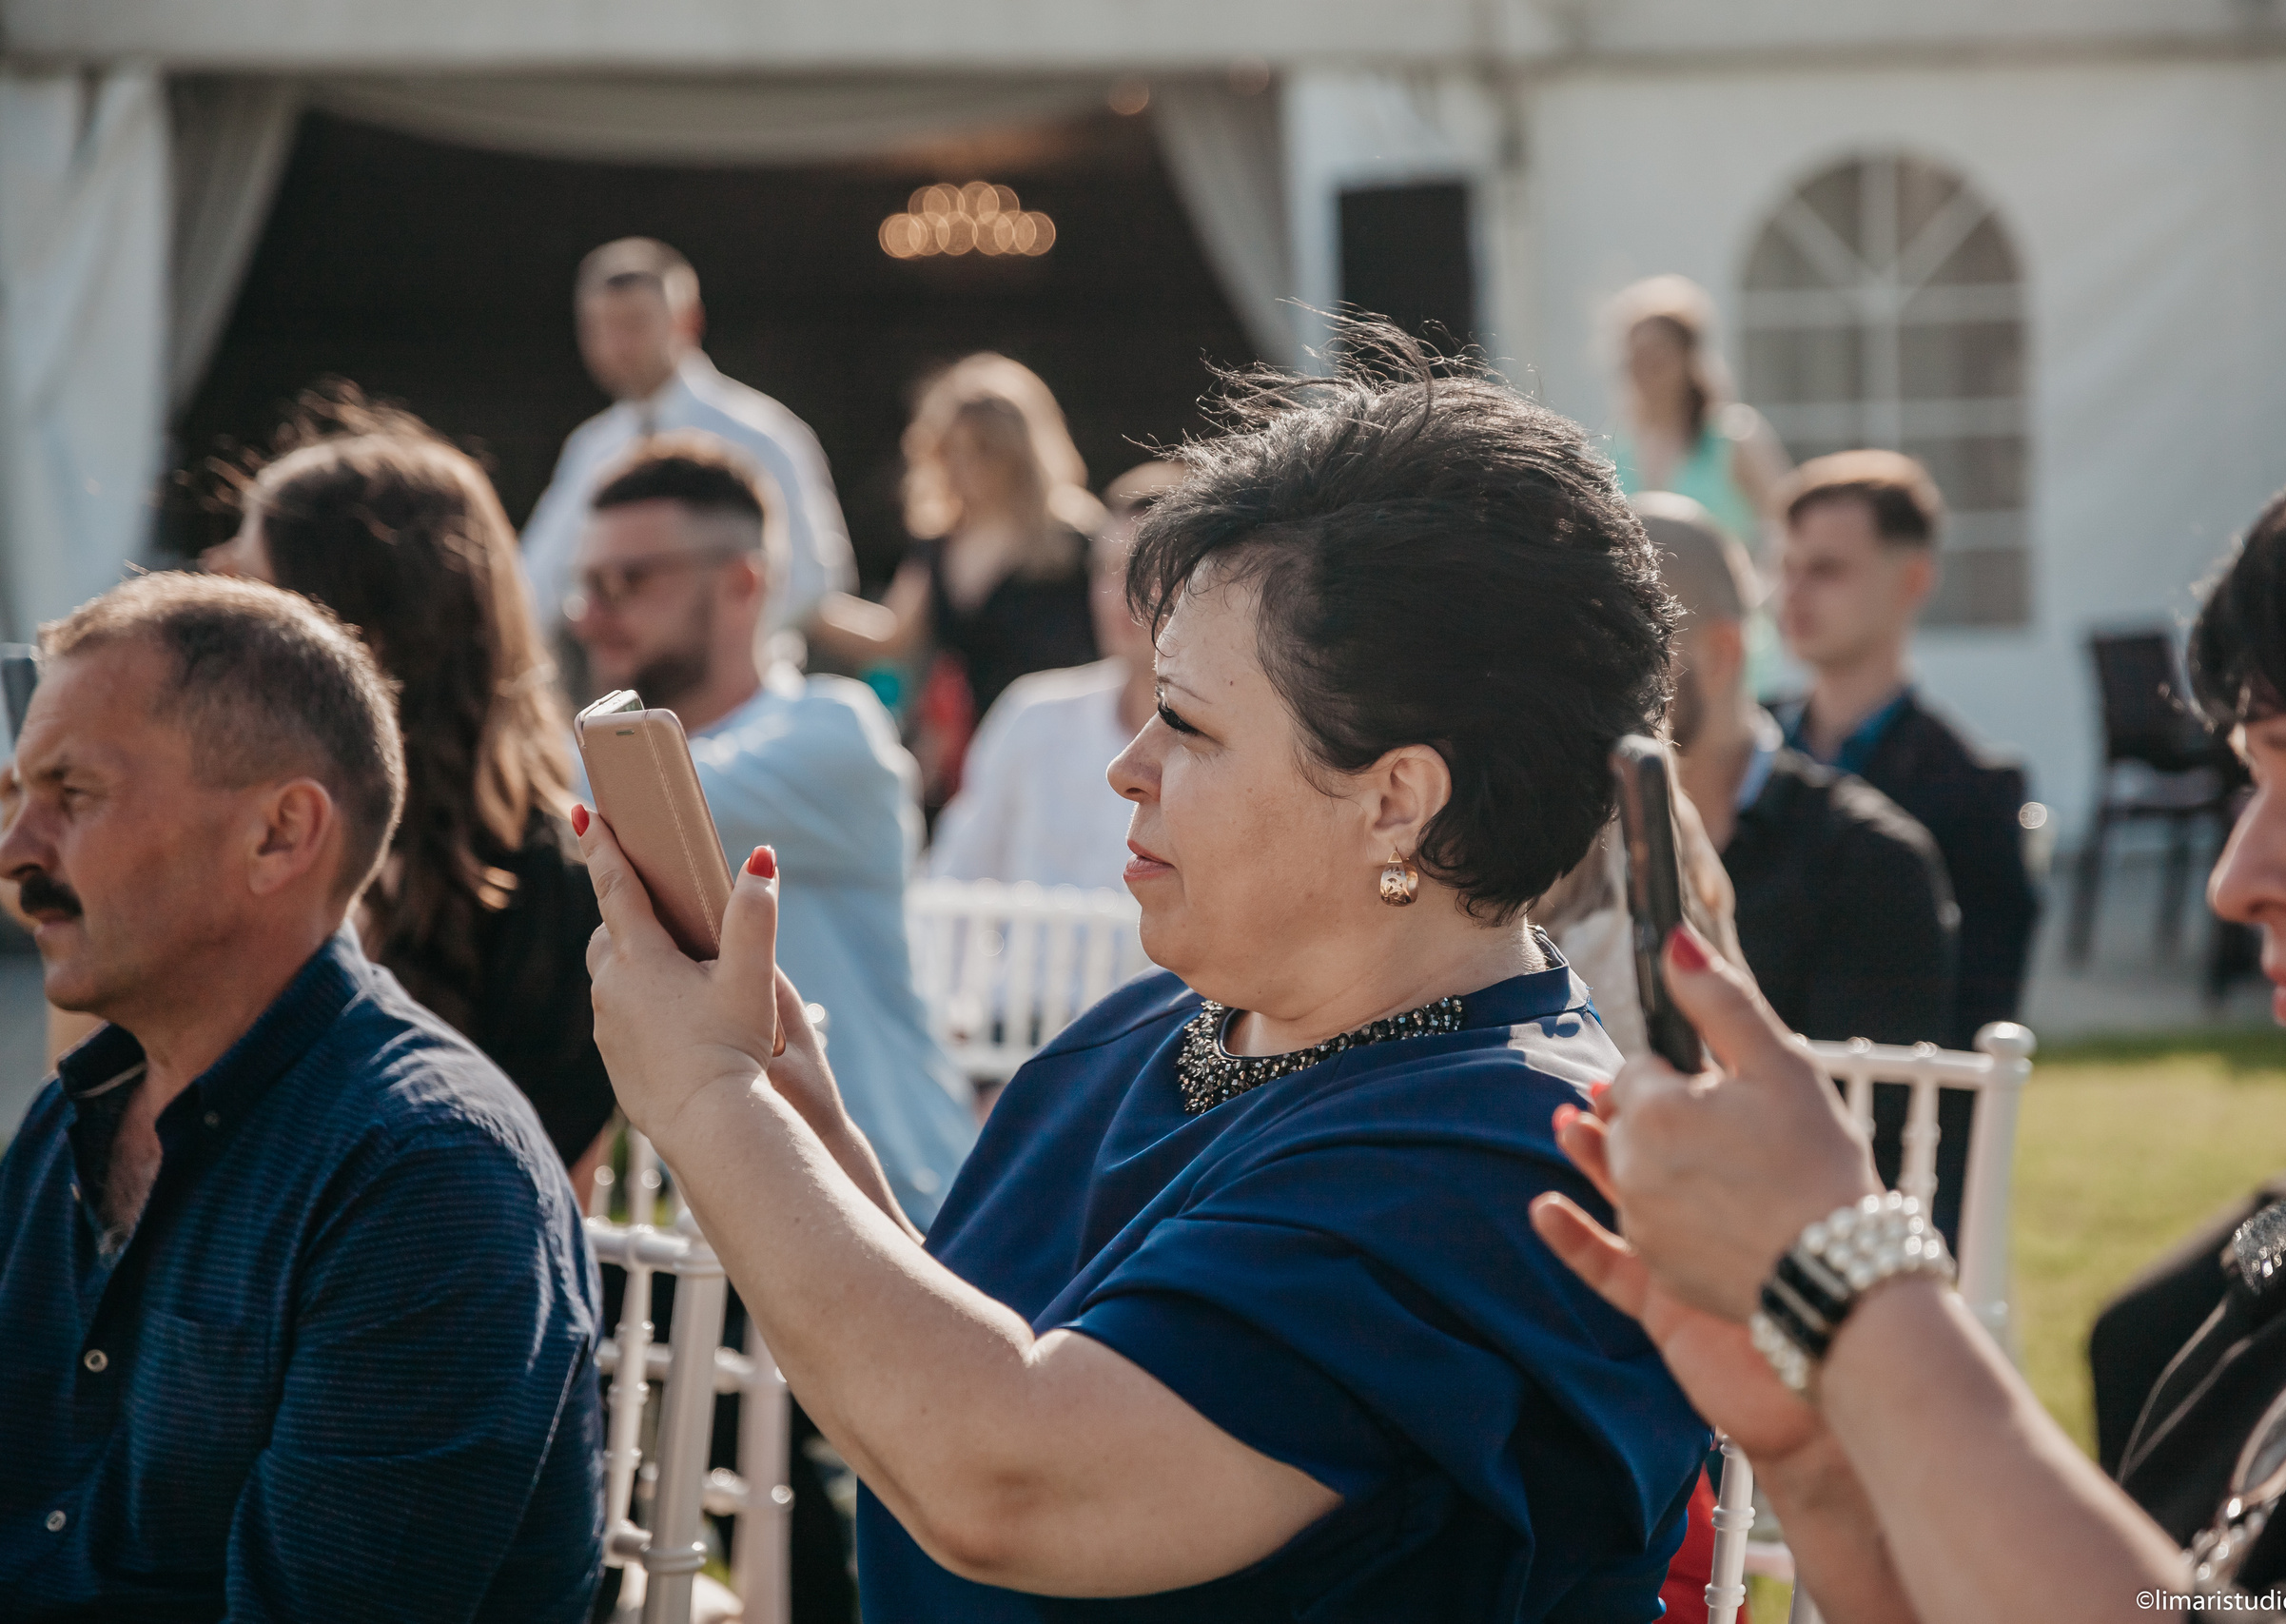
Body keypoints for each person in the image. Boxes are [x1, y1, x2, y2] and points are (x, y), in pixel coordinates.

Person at [573, 341, 1715, 1622]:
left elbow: (1012, 1478)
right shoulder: (1149, 1031)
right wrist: (802, 1124)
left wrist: (713, 1101)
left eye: (1188, 722)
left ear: (1396, 799)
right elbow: (985, 1356)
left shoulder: (1507, 1154)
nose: (1128, 765)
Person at [1535, 433, 2286, 1620]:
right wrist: (1815, 1460)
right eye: (2248, 783)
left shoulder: (1894, 839)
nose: (2234, 878)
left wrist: (1849, 1287)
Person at [0, 573, 601, 1621]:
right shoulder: (81, 1113)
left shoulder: (428, 1178)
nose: (15, 855)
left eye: (74, 795)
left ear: (279, 834)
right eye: (16, 799)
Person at [566, 433, 974, 1224]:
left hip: (894, 1208)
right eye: (584, 584)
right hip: (709, 1234)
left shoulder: (832, 732)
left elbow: (595, 794)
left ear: (743, 583)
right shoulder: (595, 753)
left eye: (628, 580)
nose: (592, 615)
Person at [202, 391, 614, 1169]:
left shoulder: (557, 894)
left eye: (252, 592)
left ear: (363, 639)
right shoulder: (227, 839)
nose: (209, 589)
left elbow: (543, 1214)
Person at [1771, 449, 2040, 1237]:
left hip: (1885, 1177)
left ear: (1912, 579)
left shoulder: (1972, 790)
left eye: (1827, 569)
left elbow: (1965, 1052)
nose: (1792, 593)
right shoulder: (1736, 756)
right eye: (1784, 567)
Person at [1644, 492, 1956, 1047]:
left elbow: (1872, 1122)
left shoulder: (1870, 861)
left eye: (1623, 652)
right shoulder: (1570, 853)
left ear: (1718, 654)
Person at [520, 237, 855, 648]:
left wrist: (697, 645)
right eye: (599, 327)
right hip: (623, 698)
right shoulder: (591, 447)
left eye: (634, 324)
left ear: (687, 322)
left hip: (743, 695)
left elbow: (813, 581)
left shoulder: (761, 434)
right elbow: (535, 584)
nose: (615, 345)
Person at [812, 354, 1104, 803]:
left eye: (983, 450)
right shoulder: (940, 544)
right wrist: (798, 603)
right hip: (972, 755)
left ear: (1020, 453)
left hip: (1066, 745)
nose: (966, 466)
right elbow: (890, 635)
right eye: (953, 450)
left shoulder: (1076, 541)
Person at [926, 460, 1182, 890]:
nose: (1120, 592)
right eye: (1105, 569)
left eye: (1146, 571)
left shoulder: (1229, 746)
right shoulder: (1032, 715)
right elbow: (952, 879)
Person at [1602, 276, 1789, 553]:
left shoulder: (1734, 437)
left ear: (1689, 358)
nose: (1645, 373)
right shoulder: (1617, 450)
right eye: (1635, 359)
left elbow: (1789, 527)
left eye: (1657, 357)